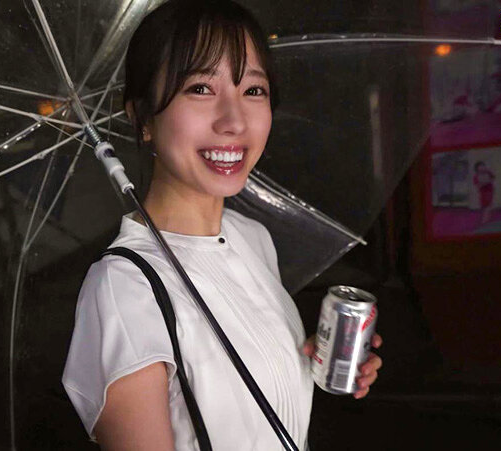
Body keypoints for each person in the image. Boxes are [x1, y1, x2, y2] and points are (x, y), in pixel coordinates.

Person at [62, 1, 382, 449]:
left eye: (253, 90)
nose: (234, 121)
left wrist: (315, 355)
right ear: (143, 117)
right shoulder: (124, 289)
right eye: (199, 88)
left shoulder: (252, 236)